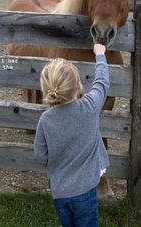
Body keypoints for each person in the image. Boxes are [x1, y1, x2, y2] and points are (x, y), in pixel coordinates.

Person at [34, 44, 109, 227]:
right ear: (78, 86)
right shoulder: (89, 107)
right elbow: (102, 83)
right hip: (86, 191)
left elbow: (40, 155)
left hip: (60, 193)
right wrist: (100, 55)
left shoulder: (45, 119)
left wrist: (58, 162)